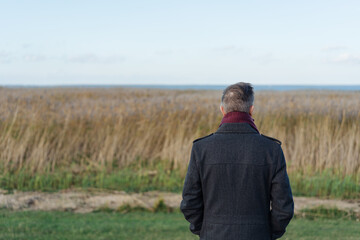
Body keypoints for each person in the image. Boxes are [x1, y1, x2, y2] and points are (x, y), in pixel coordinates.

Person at [180, 82, 294, 240]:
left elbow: (190, 203)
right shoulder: (271, 150)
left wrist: (207, 230)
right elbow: (283, 208)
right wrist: (267, 233)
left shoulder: (202, 149)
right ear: (251, 110)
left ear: (222, 110)